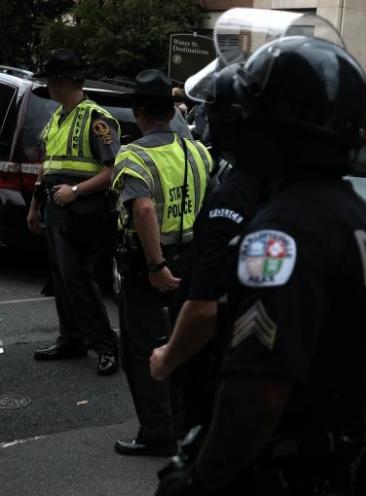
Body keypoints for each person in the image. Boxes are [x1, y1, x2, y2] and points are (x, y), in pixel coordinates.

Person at [154, 27, 366, 495]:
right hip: (340, 459)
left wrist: (201, 481)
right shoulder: (359, 218)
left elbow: (258, 395)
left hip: (285, 474)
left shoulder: (281, 235)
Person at [148, 63, 262, 435]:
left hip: (216, 365)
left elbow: (206, 308)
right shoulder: (276, 183)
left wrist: (168, 357)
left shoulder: (236, 194)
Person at [110, 69, 212, 456]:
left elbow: (144, 209)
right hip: (189, 256)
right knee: (182, 342)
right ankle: (184, 421)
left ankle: (157, 432)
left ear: (138, 112)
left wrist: (154, 266)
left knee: (143, 349)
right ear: (171, 113)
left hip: (151, 265)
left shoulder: (134, 155)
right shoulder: (198, 151)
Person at [28, 49, 120, 375]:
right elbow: (47, 164)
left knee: (77, 279)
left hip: (83, 212)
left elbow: (113, 170)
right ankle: (71, 339)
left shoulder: (96, 119)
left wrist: (76, 191)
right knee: (61, 278)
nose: (49, 86)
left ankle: (106, 346)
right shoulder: (58, 116)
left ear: (63, 81)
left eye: (52, 79)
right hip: (56, 209)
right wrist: (35, 205)